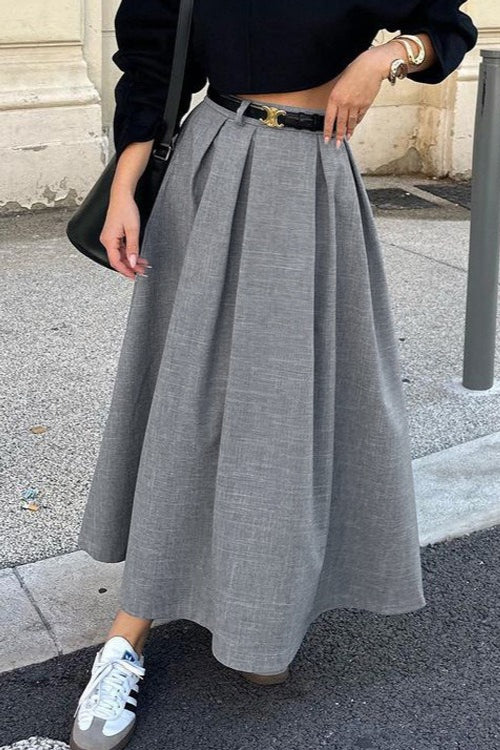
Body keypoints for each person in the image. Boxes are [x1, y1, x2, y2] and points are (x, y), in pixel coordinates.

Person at [69, 2, 478, 749]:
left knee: (286, 410)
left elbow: (445, 26)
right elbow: (154, 67)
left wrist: (383, 57)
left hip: (311, 176)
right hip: (214, 167)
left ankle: (259, 614)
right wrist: (124, 189)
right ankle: (127, 634)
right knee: (186, 398)